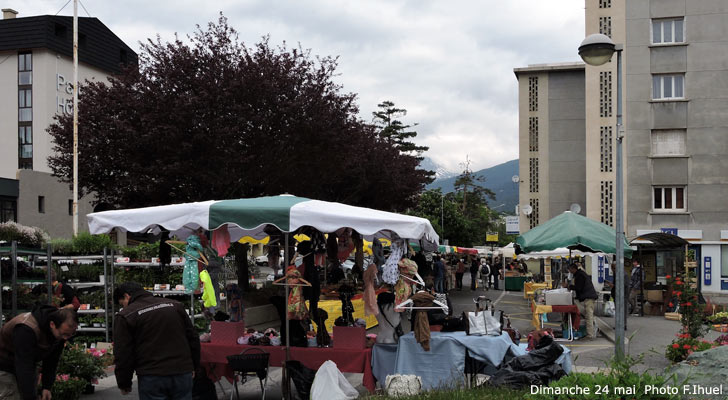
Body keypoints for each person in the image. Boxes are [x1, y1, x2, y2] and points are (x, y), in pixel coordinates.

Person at [113, 282, 201, 399]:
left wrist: (124, 382)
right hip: (182, 372)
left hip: (152, 376)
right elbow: (193, 338)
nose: (124, 307)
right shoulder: (175, 305)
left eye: (122, 303)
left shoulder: (126, 315)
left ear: (127, 296)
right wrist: (193, 366)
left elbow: (123, 352)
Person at [0, 304, 78, 400]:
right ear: (52, 324)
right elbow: (24, 365)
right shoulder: (26, 329)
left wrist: (46, 387)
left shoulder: (60, 332)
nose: (65, 338)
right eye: (64, 334)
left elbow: (52, 361)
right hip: (4, 363)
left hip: (26, 363)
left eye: (70, 334)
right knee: (12, 395)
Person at [565, 263, 599, 339]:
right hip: (588, 296)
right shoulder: (579, 274)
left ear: (573, 269)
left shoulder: (579, 275)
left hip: (588, 297)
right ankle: (593, 331)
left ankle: (590, 335)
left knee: (589, 316)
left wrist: (569, 286)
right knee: (589, 315)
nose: (569, 271)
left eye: (570, 270)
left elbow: (579, 287)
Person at [604, 262, 629, 329]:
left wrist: (613, 285)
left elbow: (623, 285)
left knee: (622, 310)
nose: (612, 270)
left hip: (622, 294)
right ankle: (620, 324)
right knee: (619, 310)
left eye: (613, 268)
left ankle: (623, 325)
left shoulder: (622, 274)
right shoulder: (618, 273)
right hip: (618, 294)